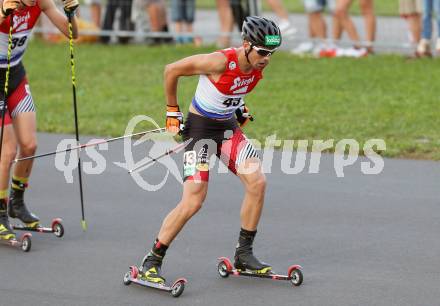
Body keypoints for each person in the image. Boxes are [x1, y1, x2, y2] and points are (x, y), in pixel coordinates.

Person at [137, 16, 282, 284]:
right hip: (200, 131)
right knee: (193, 200)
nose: (267, 59)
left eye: (272, 53)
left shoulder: (257, 63)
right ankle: (152, 260)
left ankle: (244, 254)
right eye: (262, 52)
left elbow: (232, 88)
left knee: (257, 182)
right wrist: (172, 110)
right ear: (247, 44)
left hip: (227, 129)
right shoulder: (219, 61)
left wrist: (238, 107)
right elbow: (171, 69)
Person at [0, 0, 78, 241]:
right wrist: (4, 13)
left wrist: (71, 13)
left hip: (14, 75)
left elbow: (72, 34)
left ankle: (17, 201)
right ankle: (1, 211)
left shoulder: (41, 2)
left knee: (30, 145)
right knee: (8, 148)